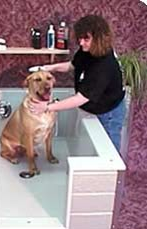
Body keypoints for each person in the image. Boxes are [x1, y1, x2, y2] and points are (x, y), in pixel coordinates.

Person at [30, 15, 126, 151]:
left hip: (109, 113)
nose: (81, 43)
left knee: (109, 154)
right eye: (80, 38)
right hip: (95, 105)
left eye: (86, 39)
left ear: (99, 38)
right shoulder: (88, 49)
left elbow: (81, 98)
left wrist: (47, 107)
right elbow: (72, 65)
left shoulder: (104, 65)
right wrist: (48, 68)